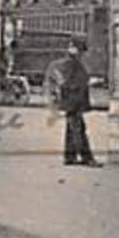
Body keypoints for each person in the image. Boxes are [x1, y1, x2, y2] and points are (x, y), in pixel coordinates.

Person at [46, 39, 100, 167]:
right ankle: (87, 158)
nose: (82, 53)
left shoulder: (71, 63)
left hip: (72, 101)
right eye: (80, 50)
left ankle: (69, 157)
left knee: (72, 129)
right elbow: (68, 83)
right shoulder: (71, 63)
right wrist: (89, 82)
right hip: (73, 101)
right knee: (78, 130)